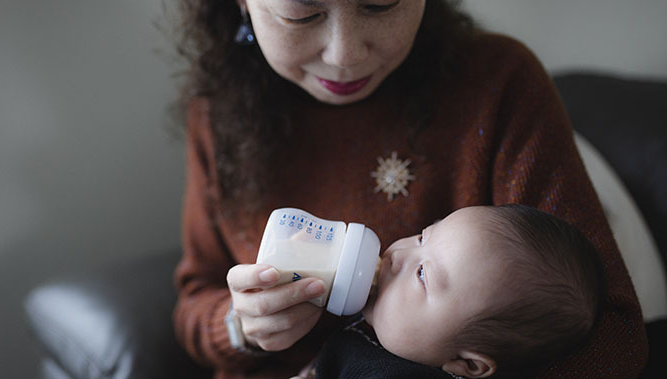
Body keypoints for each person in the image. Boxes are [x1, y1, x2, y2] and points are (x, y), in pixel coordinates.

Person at [172, 0, 648, 378]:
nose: (345, 54)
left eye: (380, 5)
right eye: (303, 13)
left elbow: (611, 334)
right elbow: (194, 303)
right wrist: (241, 326)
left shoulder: (496, 82)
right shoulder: (218, 118)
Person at [307, 204, 605, 379]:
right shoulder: (389, 334)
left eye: (422, 274)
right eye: (423, 237)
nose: (398, 254)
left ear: (466, 365)